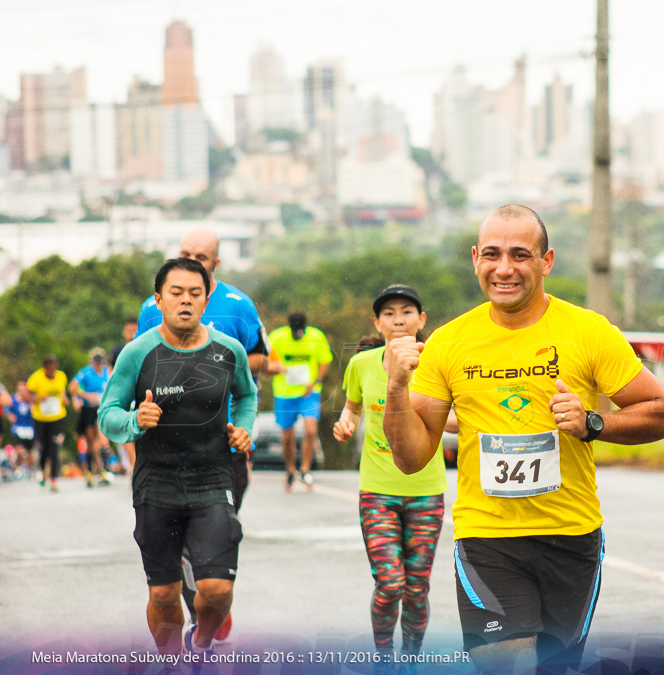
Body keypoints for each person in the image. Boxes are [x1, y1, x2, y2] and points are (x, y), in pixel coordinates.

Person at [382, 204, 664, 674]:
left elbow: (662, 414)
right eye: (493, 254)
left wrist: (592, 423)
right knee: (505, 661)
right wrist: (395, 390)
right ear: (475, 257)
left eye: (520, 255)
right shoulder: (449, 342)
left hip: (571, 536)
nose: (505, 269)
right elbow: (413, 457)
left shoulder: (587, 332)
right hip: (488, 536)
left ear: (547, 261)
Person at [99, 257, 256, 656]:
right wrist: (136, 419)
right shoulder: (138, 353)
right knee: (165, 592)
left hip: (212, 479)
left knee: (218, 590)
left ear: (206, 300)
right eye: (176, 293)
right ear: (159, 300)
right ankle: (172, 662)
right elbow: (108, 415)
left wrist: (244, 428)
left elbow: (247, 394)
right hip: (157, 482)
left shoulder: (229, 350)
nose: (186, 301)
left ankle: (200, 643)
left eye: (195, 293)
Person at [135, 227, 275, 643]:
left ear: (216, 263)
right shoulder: (150, 306)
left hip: (223, 439)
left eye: (201, 255)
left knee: (215, 529)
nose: (193, 260)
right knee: (174, 543)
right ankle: (190, 596)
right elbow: (136, 366)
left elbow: (262, 360)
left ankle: (208, 597)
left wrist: (213, 360)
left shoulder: (237, 305)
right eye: (184, 253)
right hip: (165, 440)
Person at [333, 285, 447, 669]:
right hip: (378, 492)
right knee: (390, 584)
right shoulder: (362, 364)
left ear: (422, 320)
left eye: (407, 312)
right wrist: (345, 423)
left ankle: (409, 661)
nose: (398, 320)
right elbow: (351, 408)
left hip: (427, 492)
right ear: (377, 323)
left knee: (416, 589)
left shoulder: (436, 363)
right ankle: (384, 659)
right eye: (389, 313)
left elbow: (457, 418)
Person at [269, 312, 332, 491]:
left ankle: (305, 469)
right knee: (288, 435)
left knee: (311, 430)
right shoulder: (277, 337)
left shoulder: (316, 336)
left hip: (308, 393)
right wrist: (280, 368)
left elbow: (325, 361)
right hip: (284, 393)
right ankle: (290, 470)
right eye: (295, 331)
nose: (299, 334)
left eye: (301, 331)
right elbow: (268, 362)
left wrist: (316, 381)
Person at [26, 355, 72, 493]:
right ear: (44, 367)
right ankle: (42, 469)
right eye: (49, 368)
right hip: (41, 418)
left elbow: (62, 392)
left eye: (54, 368)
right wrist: (39, 398)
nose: (52, 371)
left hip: (57, 417)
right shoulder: (36, 378)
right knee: (44, 447)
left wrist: (65, 399)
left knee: (54, 448)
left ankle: (54, 479)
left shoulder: (61, 376)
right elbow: (27, 396)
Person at [69, 348, 112, 487]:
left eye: (100, 362)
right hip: (89, 409)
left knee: (103, 438)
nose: (98, 364)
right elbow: (73, 388)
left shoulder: (108, 371)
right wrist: (86, 396)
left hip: (103, 409)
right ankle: (90, 471)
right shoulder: (86, 372)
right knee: (91, 441)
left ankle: (104, 469)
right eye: (96, 362)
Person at [110, 317, 139, 474]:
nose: (131, 333)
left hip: (141, 392)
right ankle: (134, 465)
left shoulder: (144, 346)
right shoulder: (118, 350)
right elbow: (111, 373)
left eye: (134, 330)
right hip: (125, 395)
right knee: (127, 430)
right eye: (129, 330)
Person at [5, 382, 36, 480]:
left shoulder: (29, 399)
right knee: (19, 450)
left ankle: (30, 470)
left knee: (30, 452)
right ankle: (19, 468)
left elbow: (35, 411)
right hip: (18, 428)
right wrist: (9, 416)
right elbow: (7, 409)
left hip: (29, 428)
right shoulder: (13, 399)